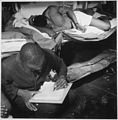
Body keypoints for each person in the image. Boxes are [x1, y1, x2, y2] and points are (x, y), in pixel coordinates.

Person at [2, 42, 68, 118]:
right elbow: (3, 87)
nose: (40, 69)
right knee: (47, 109)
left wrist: (62, 77)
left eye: (42, 65)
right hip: (21, 95)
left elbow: (60, 64)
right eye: (34, 69)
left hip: (42, 92)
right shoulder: (6, 66)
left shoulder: (48, 55)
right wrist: (20, 92)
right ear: (21, 62)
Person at [29, 5, 111, 34]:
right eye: (48, 26)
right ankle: (92, 11)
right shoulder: (43, 26)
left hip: (77, 19)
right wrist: (31, 24)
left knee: (107, 27)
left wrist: (77, 24)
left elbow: (68, 10)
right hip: (73, 28)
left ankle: (102, 16)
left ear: (46, 17)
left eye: (49, 22)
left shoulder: (52, 10)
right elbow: (50, 33)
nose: (51, 25)